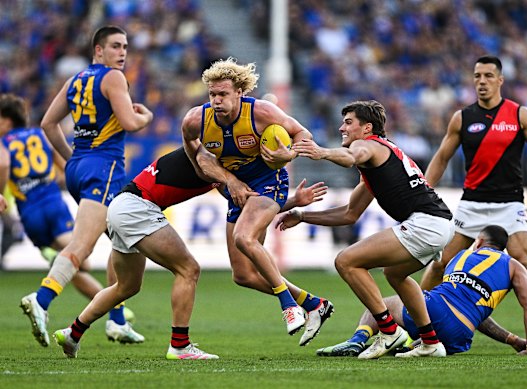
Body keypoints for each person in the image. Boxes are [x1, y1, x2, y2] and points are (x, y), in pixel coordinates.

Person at [53, 145, 328, 359]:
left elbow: (243, 201)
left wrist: (291, 202)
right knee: (189, 269)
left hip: (121, 207)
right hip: (138, 209)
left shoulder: (216, 163)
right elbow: (236, 190)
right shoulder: (208, 155)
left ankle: (73, 333)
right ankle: (180, 346)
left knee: (125, 287)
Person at [277, 100, 455, 359]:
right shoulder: (379, 159)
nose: (342, 128)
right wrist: (303, 215)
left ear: (367, 127)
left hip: (425, 222)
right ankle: (430, 342)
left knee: (346, 261)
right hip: (439, 223)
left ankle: (389, 331)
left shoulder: (366, 145)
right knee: (395, 275)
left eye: (348, 122)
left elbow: (350, 156)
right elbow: (350, 214)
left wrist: (321, 152)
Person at [182, 57, 334, 346]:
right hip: (237, 189)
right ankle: (314, 304)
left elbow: (302, 134)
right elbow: (192, 146)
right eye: (212, 95)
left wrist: (287, 156)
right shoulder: (195, 120)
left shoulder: (262, 113)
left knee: (244, 237)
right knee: (242, 275)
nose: (216, 101)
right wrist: (215, 176)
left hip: (269, 182)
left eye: (223, 94)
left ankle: (288, 305)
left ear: (239, 92)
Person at [20, 25, 153, 347]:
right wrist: (146, 116)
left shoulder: (74, 80)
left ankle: (117, 321)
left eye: (124, 46)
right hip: (103, 168)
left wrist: (71, 160)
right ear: (98, 50)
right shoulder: (113, 78)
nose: (122, 52)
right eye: (115, 46)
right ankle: (41, 299)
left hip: (82, 167)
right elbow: (131, 123)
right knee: (82, 246)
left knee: (125, 244)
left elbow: (47, 124)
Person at [418, 55, 527, 349]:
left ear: (500, 80)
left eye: (487, 76)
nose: (481, 82)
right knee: (440, 262)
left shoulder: (521, 115)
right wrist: (424, 188)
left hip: (510, 203)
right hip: (472, 204)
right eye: (476, 76)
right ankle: (417, 318)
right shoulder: (462, 117)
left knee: (522, 262)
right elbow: (442, 157)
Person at [1, 94, 136, 345]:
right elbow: (64, 165)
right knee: (80, 258)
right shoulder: (39, 137)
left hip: (29, 213)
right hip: (53, 204)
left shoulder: (4, 141)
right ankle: (115, 313)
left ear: (7, 121)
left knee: (77, 264)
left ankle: (115, 314)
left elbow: (3, 163)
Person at [316, 225, 527, 357]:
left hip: (436, 309)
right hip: (461, 334)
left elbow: (450, 301)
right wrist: (523, 343)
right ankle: (411, 345)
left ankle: (358, 339)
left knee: (383, 302)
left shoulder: (460, 256)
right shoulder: (514, 265)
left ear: (480, 241)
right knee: (458, 313)